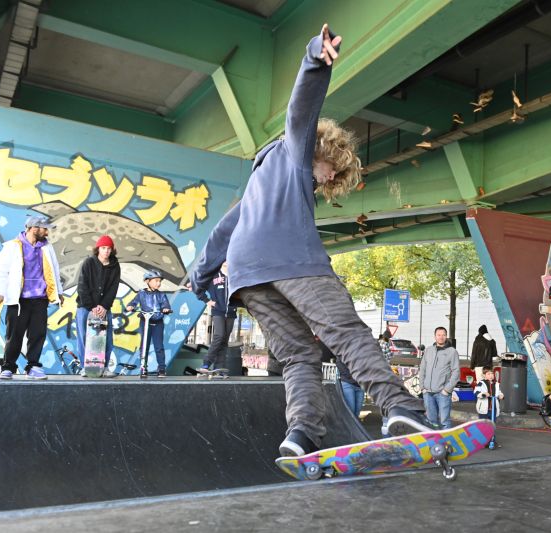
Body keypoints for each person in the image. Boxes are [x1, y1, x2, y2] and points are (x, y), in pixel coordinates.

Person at [189, 24, 429, 457]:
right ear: (324, 151)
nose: (329, 180)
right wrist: (315, 60)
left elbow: (227, 227)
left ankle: (301, 435)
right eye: (332, 172)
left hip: (249, 276)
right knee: (346, 333)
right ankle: (401, 407)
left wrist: (202, 274)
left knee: (299, 355)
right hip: (292, 261)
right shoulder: (298, 149)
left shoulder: (260, 180)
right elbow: (301, 110)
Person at [0, 215, 64, 380]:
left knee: (37, 334)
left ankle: (32, 367)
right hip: (18, 300)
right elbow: (1, 271)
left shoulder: (47, 247)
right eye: (44, 228)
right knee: (14, 335)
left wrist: (58, 291)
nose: (47, 232)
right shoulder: (12, 246)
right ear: (34, 228)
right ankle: (8, 367)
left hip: (40, 298)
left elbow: (55, 270)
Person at [75, 235, 120, 378]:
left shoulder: (115, 265)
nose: (106, 251)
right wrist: (92, 306)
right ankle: (84, 367)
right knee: (84, 338)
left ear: (112, 250)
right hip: (85, 307)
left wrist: (104, 306)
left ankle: (104, 367)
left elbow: (113, 288)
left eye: (109, 248)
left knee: (106, 339)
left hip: (104, 309)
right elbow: (82, 286)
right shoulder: (89, 263)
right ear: (98, 249)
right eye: (103, 248)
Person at [126, 270, 172, 377]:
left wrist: (165, 309)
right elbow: (133, 302)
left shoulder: (161, 295)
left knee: (159, 346)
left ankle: (161, 369)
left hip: (158, 322)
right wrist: (130, 306)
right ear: (148, 281)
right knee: (144, 346)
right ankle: (143, 367)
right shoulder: (141, 293)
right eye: (156, 281)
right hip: (145, 322)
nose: (158, 283)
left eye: (159, 281)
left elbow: (166, 305)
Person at [197, 262, 237, 373]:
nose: (226, 261)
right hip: (218, 311)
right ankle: (206, 363)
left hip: (231, 312)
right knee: (219, 336)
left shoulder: (235, 275)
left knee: (224, 341)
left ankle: (219, 367)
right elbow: (199, 288)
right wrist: (207, 301)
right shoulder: (213, 276)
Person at [418, 327, 460, 429]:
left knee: (444, 421)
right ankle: (433, 444)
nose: (441, 337)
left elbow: (456, 372)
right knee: (431, 421)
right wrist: (422, 387)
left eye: (443, 335)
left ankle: (446, 444)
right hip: (428, 393)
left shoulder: (452, 351)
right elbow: (422, 369)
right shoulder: (428, 350)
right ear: (435, 336)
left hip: (443, 393)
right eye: (439, 335)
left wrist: (447, 389)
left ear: (446, 336)